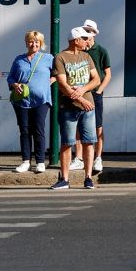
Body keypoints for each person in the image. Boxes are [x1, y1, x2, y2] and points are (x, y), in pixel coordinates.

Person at [51, 27, 101, 190]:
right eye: (85, 38)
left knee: (88, 142)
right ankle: (64, 179)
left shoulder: (86, 56)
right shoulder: (60, 57)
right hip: (69, 107)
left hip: (88, 106)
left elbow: (96, 79)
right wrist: (80, 98)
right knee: (67, 142)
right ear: (75, 40)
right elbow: (63, 84)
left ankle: (88, 178)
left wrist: (83, 89)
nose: (88, 41)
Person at [7, 30, 54, 174]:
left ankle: (40, 162)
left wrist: (50, 82)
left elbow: (59, 74)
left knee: (38, 131)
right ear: (26, 43)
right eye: (31, 41)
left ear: (41, 43)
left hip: (41, 100)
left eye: (37, 42)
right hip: (21, 101)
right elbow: (10, 77)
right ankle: (26, 161)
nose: (33, 44)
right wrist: (15, 85)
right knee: (25, 131)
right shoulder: (19, 59)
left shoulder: (48, 58)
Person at [75, 18, 111, 173]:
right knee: (78, 126)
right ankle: (78, 158)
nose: (87, 34)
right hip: (80, 93)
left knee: (98, 127)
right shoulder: (79, 50)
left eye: (90, 31)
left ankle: (98, 158)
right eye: (85, 31)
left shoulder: (101, 50)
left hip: (95, 94)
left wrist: (99, 90)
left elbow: (108, 74)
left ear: (94, 34)